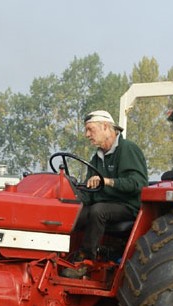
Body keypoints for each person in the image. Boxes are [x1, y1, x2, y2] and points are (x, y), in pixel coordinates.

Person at [61, 110, 148, 278]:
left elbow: (138, 184)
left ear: (106, 127)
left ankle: (86, 260)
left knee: (98, 211)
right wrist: (72, 198)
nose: (87, 135)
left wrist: (107, 181)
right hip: (103, 204)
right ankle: (61, 256)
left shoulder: (128, 149)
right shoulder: (97, 157)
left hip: (127, 206)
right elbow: (89, 193)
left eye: (90, 129)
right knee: (74, 213)